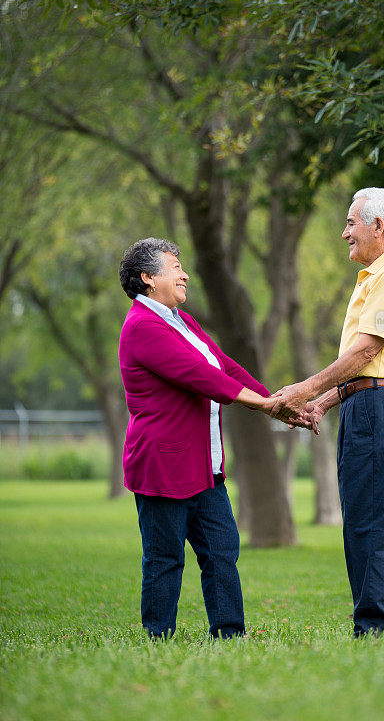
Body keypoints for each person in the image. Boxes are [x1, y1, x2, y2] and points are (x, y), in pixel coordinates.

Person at [118, 237, 308, 641]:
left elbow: (223, 365)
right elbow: (201, 377)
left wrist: (275, 398)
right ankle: (158, 638)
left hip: (205, 468)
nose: (185, 274)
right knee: (165, 558)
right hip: (163, 466)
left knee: (222, 551)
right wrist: (266, 406)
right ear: (148, 278)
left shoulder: (183, 321)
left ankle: (229, 634)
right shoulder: (142, 327)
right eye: (174, 267)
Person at [271, 188, 384, 638]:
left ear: (379, 226)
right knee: (364, 517)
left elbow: (366, 353)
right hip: (368, 402)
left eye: (351, 223)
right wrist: (323, 401)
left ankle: (376, 629)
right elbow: (370, 365)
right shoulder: (381, 276)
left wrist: (304, 389)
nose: (344, 234)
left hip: (379, 407)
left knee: (372, 519)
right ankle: (378, 623)